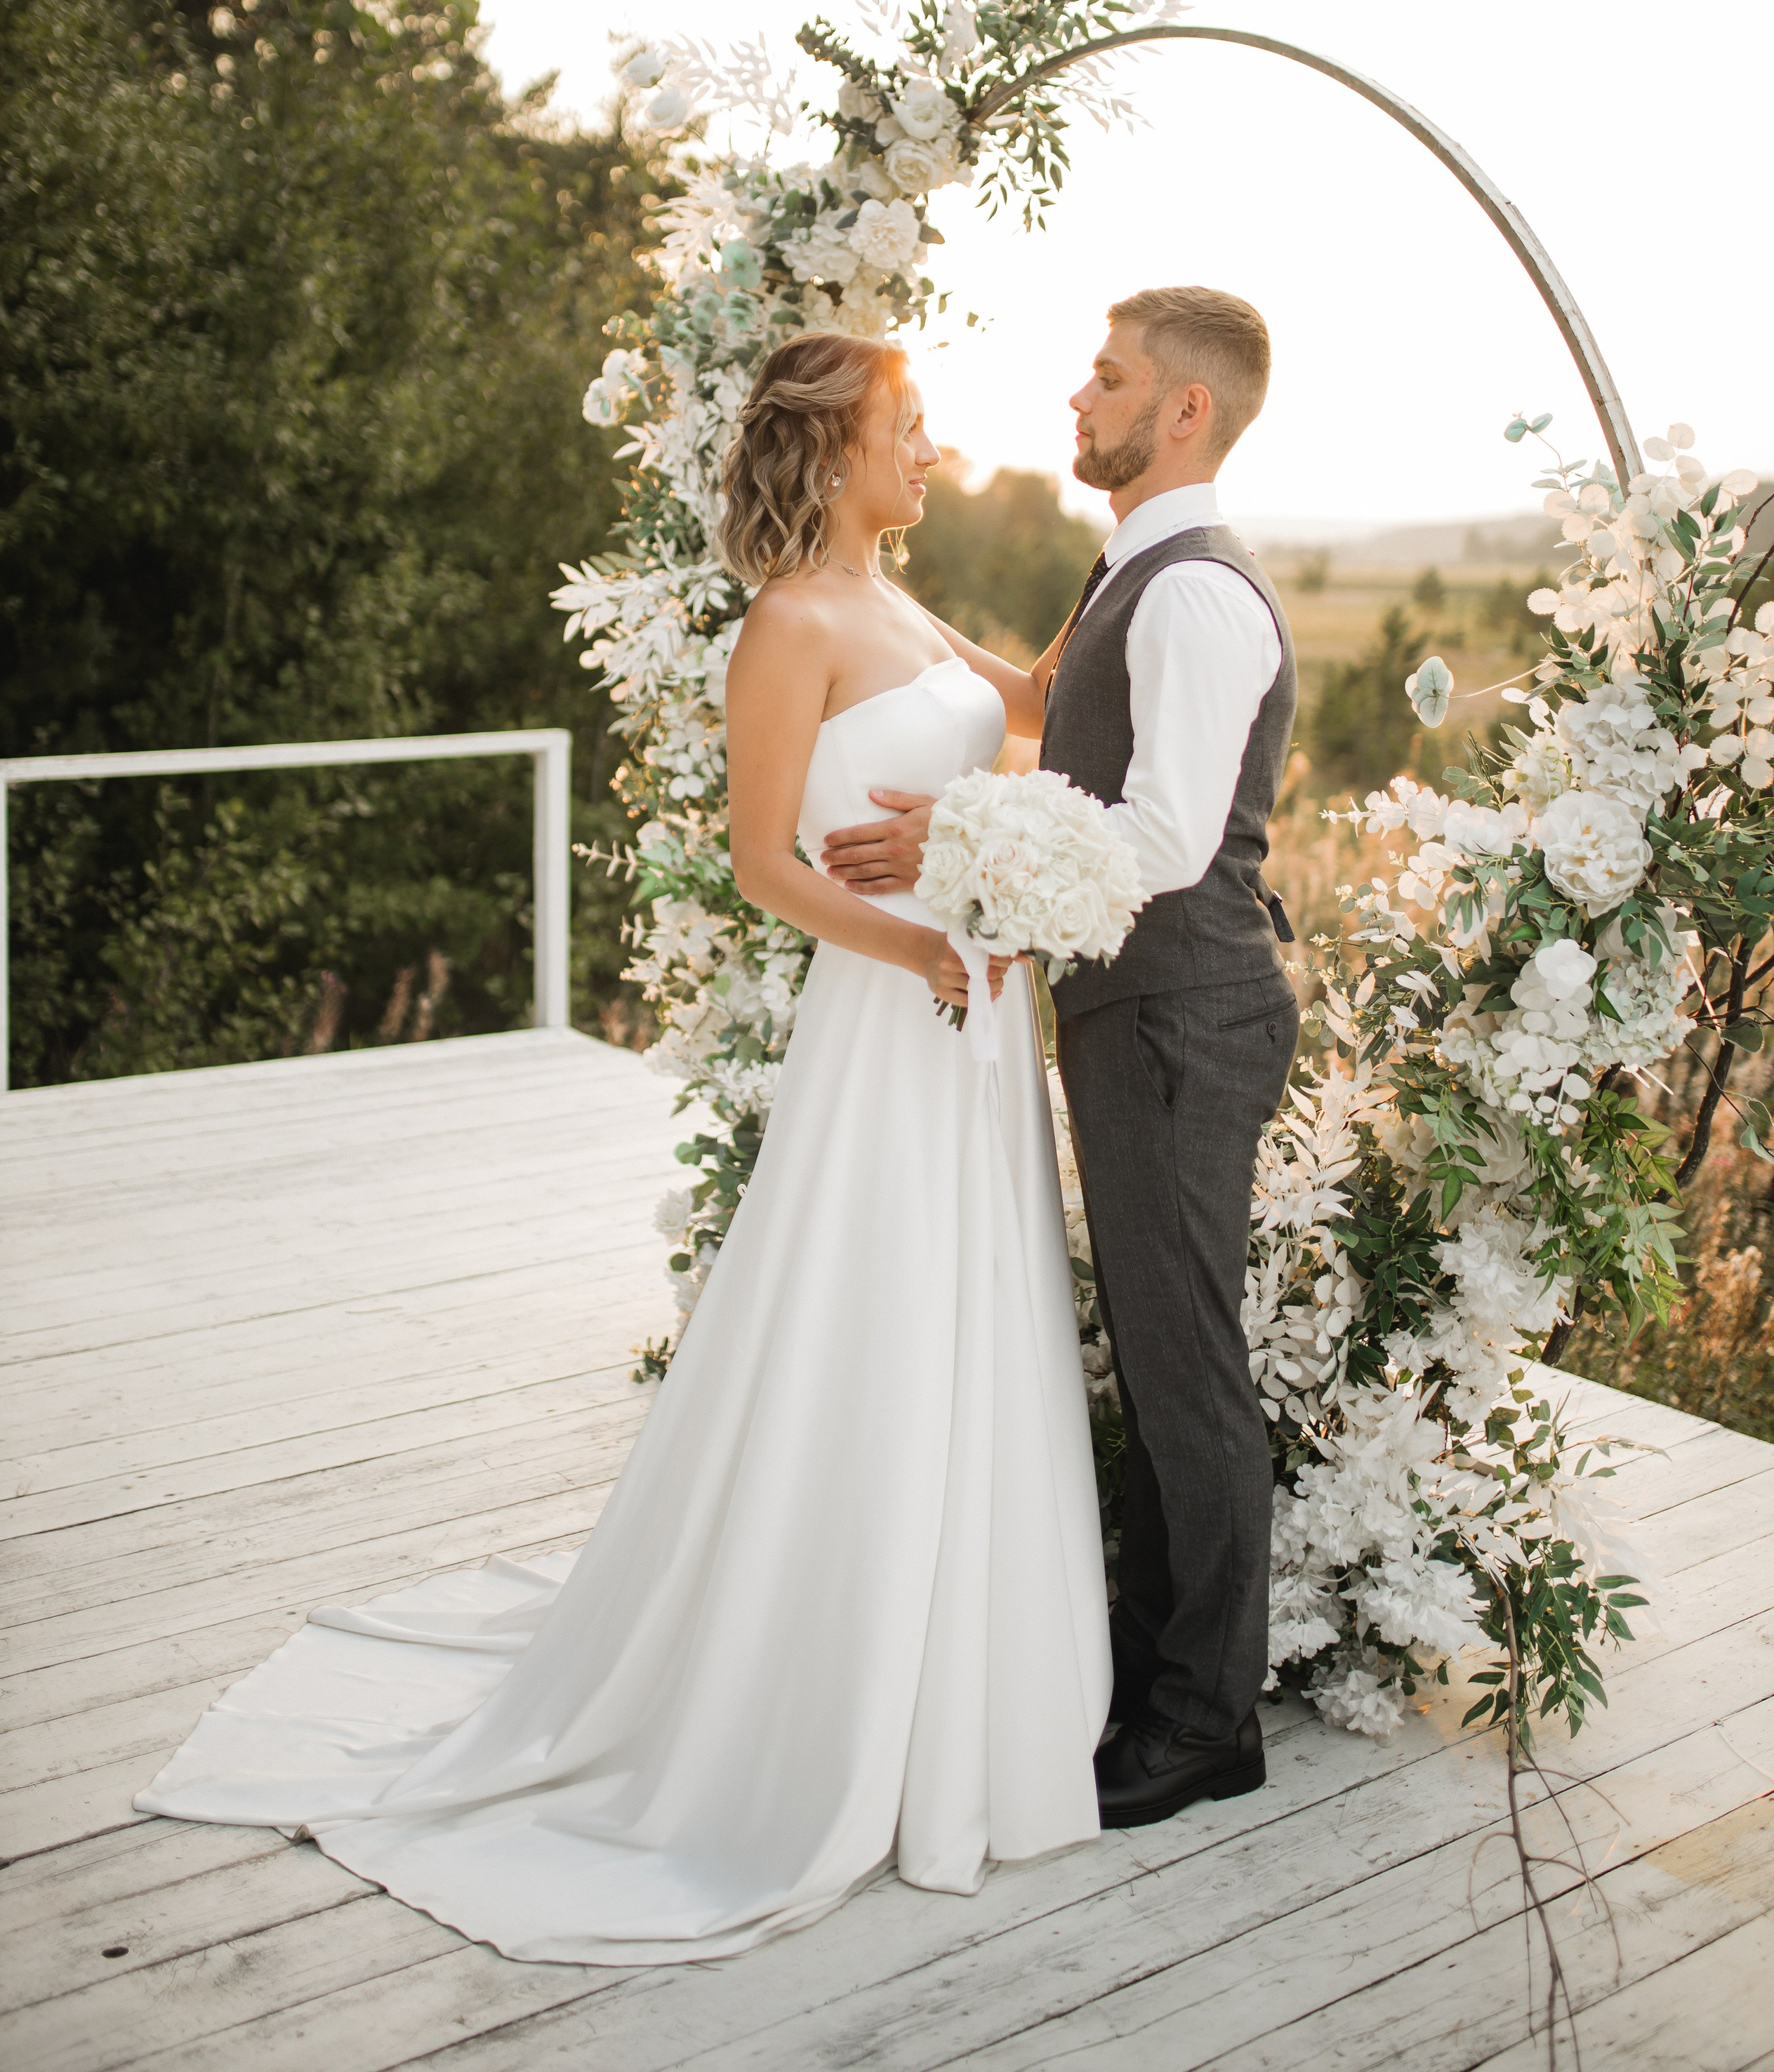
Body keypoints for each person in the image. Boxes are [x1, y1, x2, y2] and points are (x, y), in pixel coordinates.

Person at [132, 328, 1110, 1965]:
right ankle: (818, 1685)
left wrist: (1131, 540)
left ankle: (963, 1675)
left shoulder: (903, 603)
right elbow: (765, 869)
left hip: (976, 1016)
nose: (930, 450)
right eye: (909, 427)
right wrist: (921, 950)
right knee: (861, 1320)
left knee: (972, 1315)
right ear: (832, 449)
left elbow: (1023, 707)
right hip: (895, 1018)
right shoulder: (790, 623)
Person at [823, 285, 1298, 1828]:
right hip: (1133, 1011)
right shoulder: (1129, 575)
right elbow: (1044, 711)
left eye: (1104, 381)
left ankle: (1203, 1720)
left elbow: (1161, 835)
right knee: (1156, 1357)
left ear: (1184, 414)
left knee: (1183, 1369)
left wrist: (954, 838)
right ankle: (1157, 1684)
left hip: (1181, 1015)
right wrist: (892, 615)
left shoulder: (1198, 596)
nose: (1073, 400)